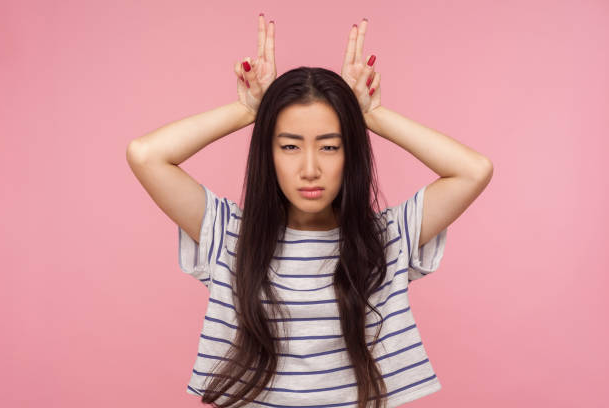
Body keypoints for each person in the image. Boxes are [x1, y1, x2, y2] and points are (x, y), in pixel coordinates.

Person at [126, 14, 493, 408]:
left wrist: (371, 116)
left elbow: (473, 170)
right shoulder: (230, 235)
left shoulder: (387, 239)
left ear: (350, 154)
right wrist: (247, 110)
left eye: (330, 146)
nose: (310, 168)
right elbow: (146, 155)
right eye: (290, 146)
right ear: (267, 154)